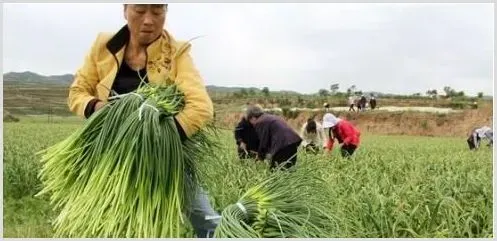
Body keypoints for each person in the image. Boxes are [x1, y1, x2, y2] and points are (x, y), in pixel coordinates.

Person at [67, 4, 218, 238]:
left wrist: (162, 137)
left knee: (207, 219)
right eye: (139, 11)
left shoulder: (176, 53)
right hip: (111, 152)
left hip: (165, 157)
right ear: (125, 10)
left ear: (166, 12)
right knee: (115, 223)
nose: (148, 20)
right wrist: (99, 108)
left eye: (157, 12)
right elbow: (77, 93)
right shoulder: (104, 46)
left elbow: (201, 107)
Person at [246, 105, 302, 170]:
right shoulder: (269, 117)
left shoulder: (260, 122)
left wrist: (260, 156)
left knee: (276, 172)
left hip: (282, 146)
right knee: (289, 171)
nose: (252, 125)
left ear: (252, 118)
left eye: (250, 122)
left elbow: (263, 142)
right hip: (292, 143)